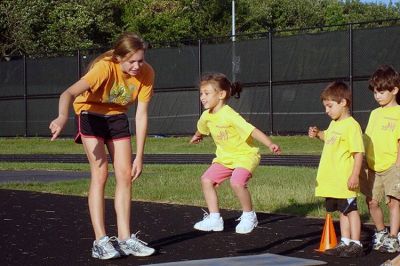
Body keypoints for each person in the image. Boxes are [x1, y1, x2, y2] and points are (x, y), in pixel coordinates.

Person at [49, 32, 155, 260]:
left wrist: (140, 156)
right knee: (101, 173)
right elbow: (67, 93)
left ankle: (126, 239)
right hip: (90, 113)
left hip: (117, 117)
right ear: (119, 58)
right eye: (132, 61)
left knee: (125, 175)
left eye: (140, 60)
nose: (137, 66)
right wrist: (61, 117)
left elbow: (142, 116)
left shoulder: (147, 73)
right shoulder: (104, 68)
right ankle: (100, 242)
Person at [189, 72, 281, 234]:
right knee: (206, 180)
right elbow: (201, 128)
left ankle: (249, 216)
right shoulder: (206, 116)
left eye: (207, 93)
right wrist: (197, 136)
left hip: (246, 156)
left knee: (237, 182)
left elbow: (251, 130)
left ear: (221, 94)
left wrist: (270, 143)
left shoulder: (230, 115)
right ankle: (215, 218)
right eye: (201, 94)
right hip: (225, 158)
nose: (202, 97)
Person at [308, 81, 364, 257]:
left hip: (345, 179)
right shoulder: (334, 124)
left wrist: (355, 175)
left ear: (343, 103)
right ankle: (345, 241)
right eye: (325, 106)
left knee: (351, 210)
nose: (327, 110)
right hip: (333, 180)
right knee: (342, 211)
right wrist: (318, 134)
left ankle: (356, 243)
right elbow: (330, 138)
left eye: (330, 106)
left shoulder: (351, 126)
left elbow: (358, 153)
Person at [360, 65, 400, 253]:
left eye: (382, 92)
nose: (377, 96)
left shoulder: (399, 113)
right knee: (372, 201)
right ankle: (381, 232)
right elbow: (367, 139)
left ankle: (393, 237)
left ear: (394, 90)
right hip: (373, 166)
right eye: (375, 92)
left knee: (393, 202)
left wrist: (398, 165)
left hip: (393, 166)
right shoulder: (374, 114)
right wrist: (364, 162)